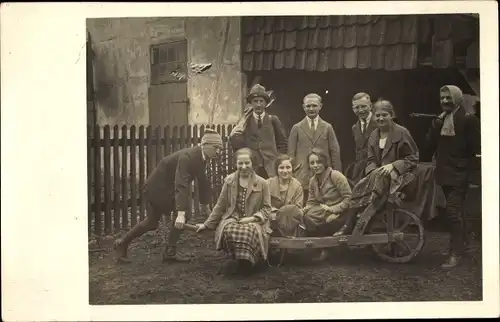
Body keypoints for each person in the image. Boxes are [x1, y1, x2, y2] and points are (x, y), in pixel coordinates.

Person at [113, 129, 223, 264]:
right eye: (216, 147)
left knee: (154, 221)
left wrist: (206, 205)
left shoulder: (201, 157)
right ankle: (124, 243)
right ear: (205, 145)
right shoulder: (187, 157)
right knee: (156, 221)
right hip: (157, 189)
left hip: (167, 188)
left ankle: (167, 252)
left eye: (220, 148)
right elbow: (181, 184)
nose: (218, 152)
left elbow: (202, 179)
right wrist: (181, 213)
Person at [335, 99, 419, 236]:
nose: (380, 118)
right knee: (357, 188)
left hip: (399, 178)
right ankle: (348, 225)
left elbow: (413, 158)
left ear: (392, 115)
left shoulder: (402, 133)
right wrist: (374, 170)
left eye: (384, 115)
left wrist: (393, 166)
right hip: (378, 175)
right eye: (377, 115)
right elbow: (371, 159)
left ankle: (363, 223)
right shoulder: (374, 135)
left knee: (375, 196)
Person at [426, 85, 481, 269]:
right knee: (458, 213)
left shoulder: (469, 120)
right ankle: (464, 246)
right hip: (445, 174)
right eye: (442, 98)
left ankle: (455, 253)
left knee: (453, 214)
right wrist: (435, 125)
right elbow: (430, 143)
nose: (445, 102)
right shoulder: (441, 119)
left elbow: (476, 151)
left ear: (457, 98)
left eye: (448, 98)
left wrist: (474, 178)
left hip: (461, 174)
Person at [194, 148, 272, 276]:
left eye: (247, 163)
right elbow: (220, 205)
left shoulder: (262, 183)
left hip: (254, 221)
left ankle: (251, 263)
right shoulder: (229, 181)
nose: (244, 166)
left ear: (252, 163)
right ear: (236, 164)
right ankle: (238, 261)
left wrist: (252, 218)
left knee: (248, 231)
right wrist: (206, 224)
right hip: (233, 217)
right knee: (229, 229)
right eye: (240, 163)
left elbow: (267, 208)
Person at [288, 93, 342, 203]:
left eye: (314, 105)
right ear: (303, 107)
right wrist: (292, 174)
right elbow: (291, 154)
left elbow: (335, 152)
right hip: (302, 173)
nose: (311, 109)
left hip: (323, 172)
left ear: (320, 106)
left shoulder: (327, 127)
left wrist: (337, 174)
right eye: (308, 106)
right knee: (304, 202)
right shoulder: (296, 128)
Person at [302, 148, 352, 261]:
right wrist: (306, 209)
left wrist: (334, 210)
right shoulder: (313, 181)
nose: (315, 165)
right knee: (306, 217)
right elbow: (312, 201)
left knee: (328, 221)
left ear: (324, 162)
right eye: (312, 163)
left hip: (343, 212)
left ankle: (328, 250)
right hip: (324, 212)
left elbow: (349, 199)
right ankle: (319, 247)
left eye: (318, 162)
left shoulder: (335, 176)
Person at [229, 84, 288, 179]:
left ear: (266, 103)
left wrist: (278, 159)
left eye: (261, 101)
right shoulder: (244, 122)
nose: (258, 104)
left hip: (271, 167)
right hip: (253, 168)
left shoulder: (273, 120)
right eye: (255, 101)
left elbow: (282, 143)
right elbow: (236, 142)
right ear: (251, 103)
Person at [266, 154, 305, 238]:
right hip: (272, 219)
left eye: (288, 167)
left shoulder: (297, 186)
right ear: (276, 169)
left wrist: (286, 212)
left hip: (290, 221)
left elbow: (298, 208)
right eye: (281, 168)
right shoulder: (268, 183)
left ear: (292, 169)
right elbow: (264, 205)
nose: (285, 171)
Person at [345, 92, 378, 187]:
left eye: (363, 106)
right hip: (359, 173)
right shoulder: (354, 128)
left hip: (376, 171)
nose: (360, 110)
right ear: (353, 109)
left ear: (371, 106)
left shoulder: (380, 123)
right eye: (357, 107)